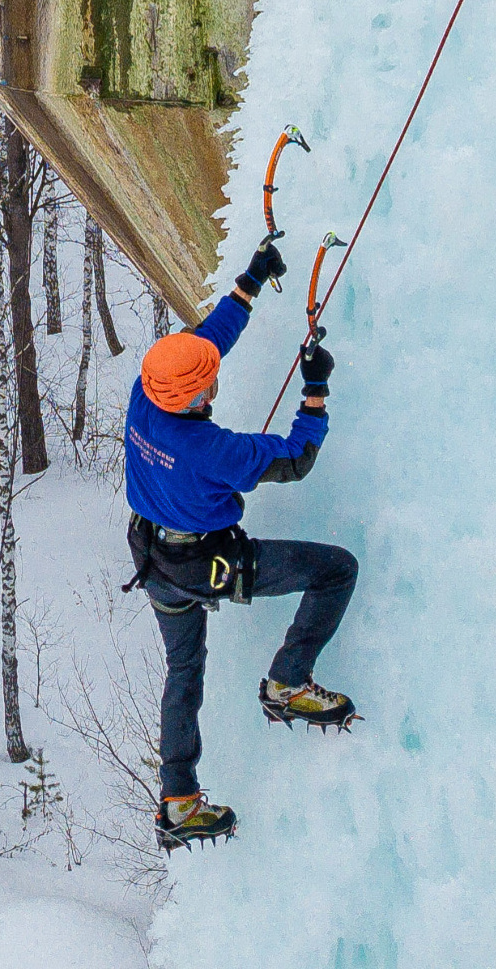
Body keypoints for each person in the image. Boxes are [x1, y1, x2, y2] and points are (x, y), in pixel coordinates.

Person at [124, 240, 359, 850]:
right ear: (199, 397)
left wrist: (249, 283)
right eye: (210, 382)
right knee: (336, 570)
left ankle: (177, 801)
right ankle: (287, 680)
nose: (215, 378)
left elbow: (203, 343)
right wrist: (315, 390)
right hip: (206, 563)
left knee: (184, 671)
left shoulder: (146, 392)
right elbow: (298, 457)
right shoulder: (215, 451)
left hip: (153, 559)